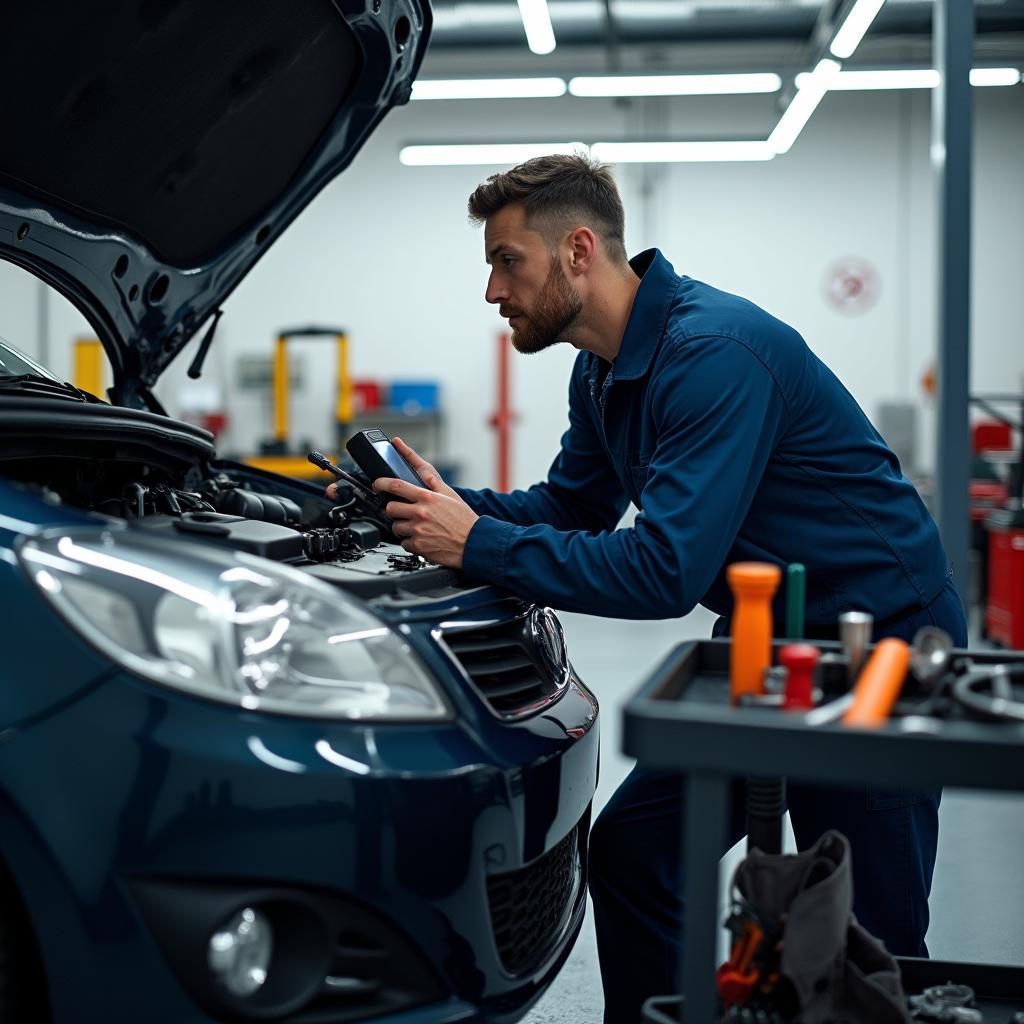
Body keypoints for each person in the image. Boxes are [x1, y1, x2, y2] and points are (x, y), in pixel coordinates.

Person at [326, 154, 968, 1023]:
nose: (491, 291)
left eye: (506, 260)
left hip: (876, 639)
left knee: (865, 928)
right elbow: (572, 505)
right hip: (765, 633)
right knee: (637, 849)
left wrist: (476, 545)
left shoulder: (710, 354)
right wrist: (430, 507)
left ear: (578, 250)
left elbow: (666, 570)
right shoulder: (601, 368)